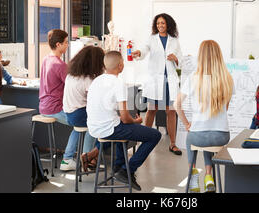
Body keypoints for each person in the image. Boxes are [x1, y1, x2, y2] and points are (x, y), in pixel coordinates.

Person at [87, 51, 162, 191]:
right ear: (120, 65)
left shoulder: (97, 80)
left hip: (93, 128)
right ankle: (127, 170)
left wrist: (128, 122)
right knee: (155, 135)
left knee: (124, 130)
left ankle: (118, 165)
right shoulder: (118, 83)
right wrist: (137, 121)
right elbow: (126, 118)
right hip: (109, 129)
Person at [175, 40, 234, 193]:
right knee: (209, 136)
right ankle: (209, 175)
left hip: (198, 137)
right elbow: (225, 108)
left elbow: (176, 105)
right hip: (222, 136)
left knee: (192, 138)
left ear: (200, 57)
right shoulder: (227, 78)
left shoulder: (194, 78)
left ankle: (193, 174)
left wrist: (187, 124)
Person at [131, 13, 183, 155]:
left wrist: (176, 59)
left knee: (171, 112)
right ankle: (144, 141)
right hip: (155, 81)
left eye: (163, 23)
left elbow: (181, 61)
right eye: (158, 23)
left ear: (168, 25)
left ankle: (173, 144)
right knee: (152, 110)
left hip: (169, 81)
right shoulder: (152, 39)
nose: (160, 25)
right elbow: (144, 50)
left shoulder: (174, 41)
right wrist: (138, 53)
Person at [39, 29, 79, 171]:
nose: (68, 45)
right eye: (66, 42)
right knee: (80, 124)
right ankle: (67, 159)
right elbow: (72, 85)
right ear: (58, 44)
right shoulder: (60, 65)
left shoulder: (46, 59)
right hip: (54, 108)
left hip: (43, 107)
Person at [63, 46, 104, 172]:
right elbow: (98, 100)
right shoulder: (88, 79)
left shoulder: (71, 75)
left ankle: (67, 159)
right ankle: (88, 157)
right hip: (79, 114)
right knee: (99, 123)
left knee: (78, 129)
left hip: (69, 114)